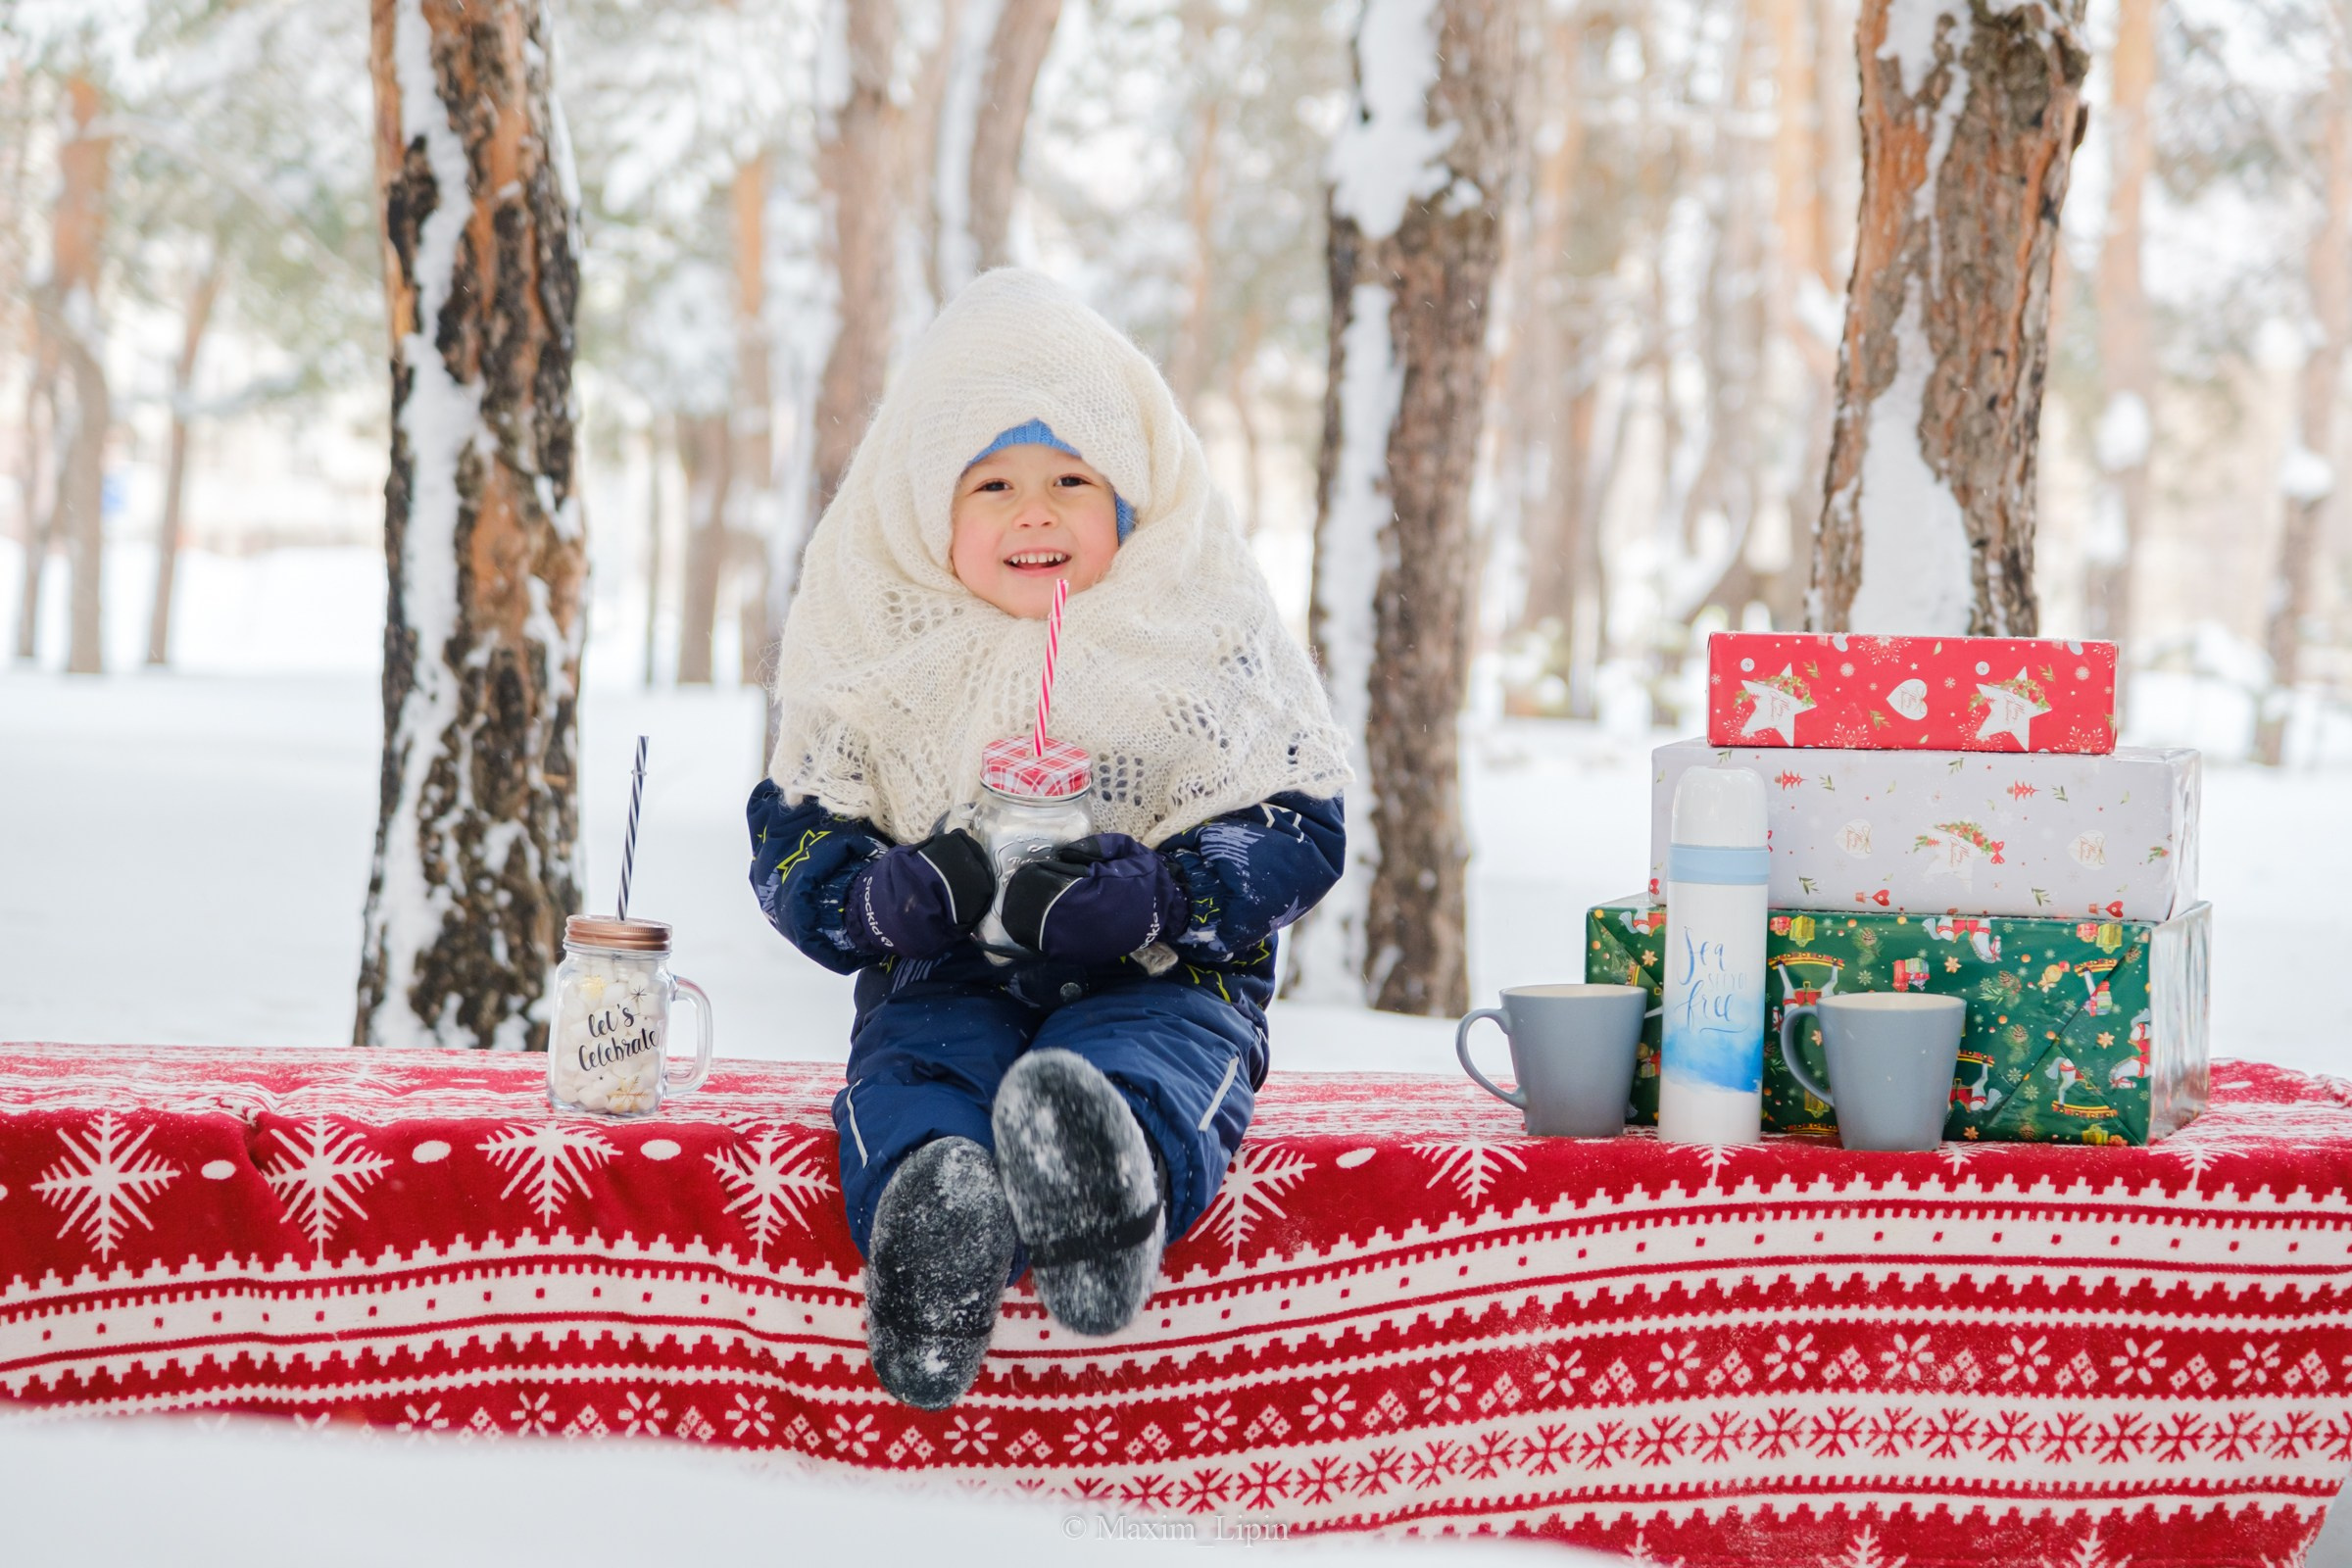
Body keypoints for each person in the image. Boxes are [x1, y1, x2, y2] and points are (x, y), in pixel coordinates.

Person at [748, 269, 1350, 1409]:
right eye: (995, 484)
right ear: (931, 508)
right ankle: (940, 1213)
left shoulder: (1200, 636)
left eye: (1073, 477)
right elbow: (794, 840)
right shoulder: (881, 651)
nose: (1037, 509)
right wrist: (880, 900)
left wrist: (1168, 898)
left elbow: (1296, 824)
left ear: (1128, 496)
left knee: (1162, 1058)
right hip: (945, 979)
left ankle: (1105, 1181)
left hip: (1162, 978)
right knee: (911, 1073)